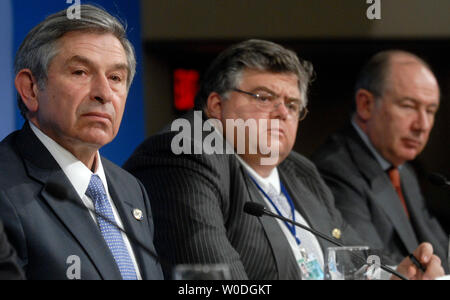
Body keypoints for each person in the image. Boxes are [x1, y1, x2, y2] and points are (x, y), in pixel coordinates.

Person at [124, 40, 444, 280]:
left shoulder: (300, 171)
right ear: (216, 107)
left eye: (292, 105)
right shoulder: (187, 154)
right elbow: (214, 283)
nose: (281, 113)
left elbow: (354, 255)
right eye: (264, 97)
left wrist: (398, 273)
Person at [0, 5, 163, 280]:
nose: (104, 93)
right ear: (30, 88)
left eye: (115, 78)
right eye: (80, 72)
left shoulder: (130, 188)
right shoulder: (5, 186)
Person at [312, 50, 448, 271]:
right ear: (366, 105)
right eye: (409, 106)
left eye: (430, 111)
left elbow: (439, 248)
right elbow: (366, 260)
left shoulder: (404, 171)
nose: (422, 125)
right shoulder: (335, 168)